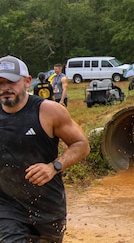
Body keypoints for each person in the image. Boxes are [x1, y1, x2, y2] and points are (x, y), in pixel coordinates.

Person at [0, 55, 90, 242]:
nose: (5, 88)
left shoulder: (48, 111)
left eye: (11, 82)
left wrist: (53, 167)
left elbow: (81, 145)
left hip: (48, 208)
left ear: (27, 81)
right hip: (7, 206)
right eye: (0, 83)